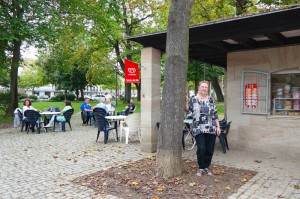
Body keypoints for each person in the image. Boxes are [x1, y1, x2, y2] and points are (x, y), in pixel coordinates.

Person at [186, 81, 221, 176]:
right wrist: (185, 102)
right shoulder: (193, 99)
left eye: (206, 87)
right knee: (201, 148)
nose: (204, 88)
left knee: (210, 149)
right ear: (199, 88)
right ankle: (201, 167)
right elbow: (188, 111)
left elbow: (215, 114)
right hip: (198, 128)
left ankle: (206, 167)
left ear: (207, 89)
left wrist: (218, 126)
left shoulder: (211, 99)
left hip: (211, 128)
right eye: (202, 87)